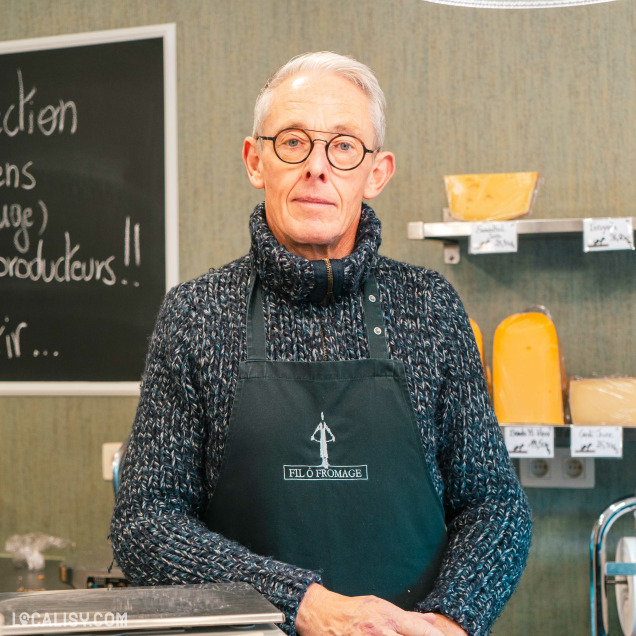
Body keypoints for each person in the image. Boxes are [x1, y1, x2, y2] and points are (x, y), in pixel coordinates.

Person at [110, 51, 532, 636]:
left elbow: (494, 504)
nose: (317, 167)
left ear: (376, 172)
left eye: (343, 146)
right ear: (255, 161)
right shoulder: (197, 313)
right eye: (293, 142)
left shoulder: (430, 307)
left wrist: (449, 622)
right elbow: (143, 524)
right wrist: (303, 604)